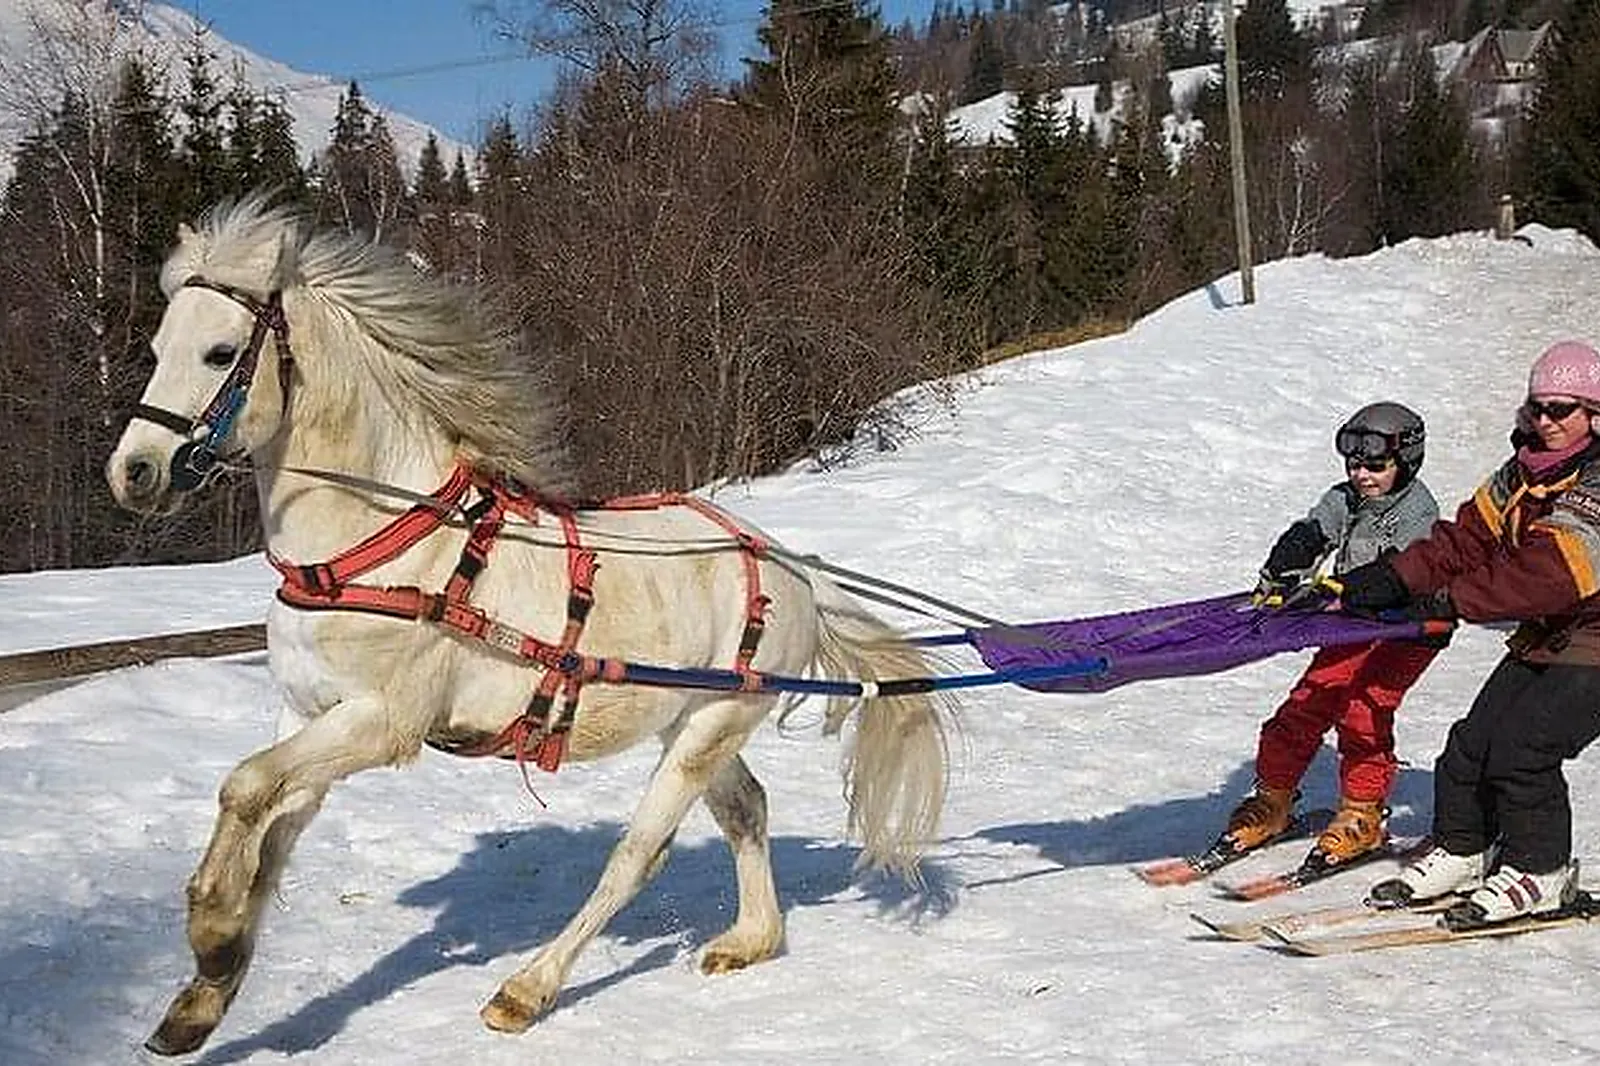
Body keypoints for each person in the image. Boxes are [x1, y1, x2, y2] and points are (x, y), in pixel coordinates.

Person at [1345, 340, 1600, 929]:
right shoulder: (1525, 469)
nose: (1545, 420)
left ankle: (1541, 873)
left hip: (1592, 637)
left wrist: (1453, 600)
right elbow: (1465, 541)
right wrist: (1394, 576)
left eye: (1562, 409)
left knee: (1523, 751)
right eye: (1537, 407)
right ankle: (1464, 849)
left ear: (1593, 412)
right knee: (1470, 746)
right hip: (1551, 631)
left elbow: (1552, 571)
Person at [1216, 401, 1443, 874]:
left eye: (1376, 465)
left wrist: (1343, 592)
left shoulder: (1417, 511)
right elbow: (1314, 532)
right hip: (1351, 621)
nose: (1362, 474)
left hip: (1411, 627)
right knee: (1308, 701)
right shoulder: (1346, 498)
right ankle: (1272, 799)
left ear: (1407, 461)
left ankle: (1362, 812)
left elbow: (1402, 573)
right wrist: (1283, 569)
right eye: (1354, 463)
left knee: (1362, 710)